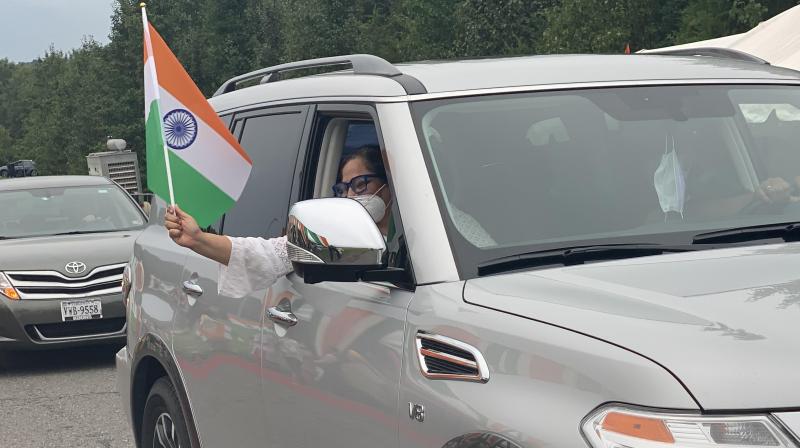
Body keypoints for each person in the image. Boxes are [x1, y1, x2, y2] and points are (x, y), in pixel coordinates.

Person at [165, 146, 393, 298]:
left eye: (361, 184)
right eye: (344, 188)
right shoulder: (335, 235)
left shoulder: (421, 236)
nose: (351, 196)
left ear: (391, 184)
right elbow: (263, 254)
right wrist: (197, 239)